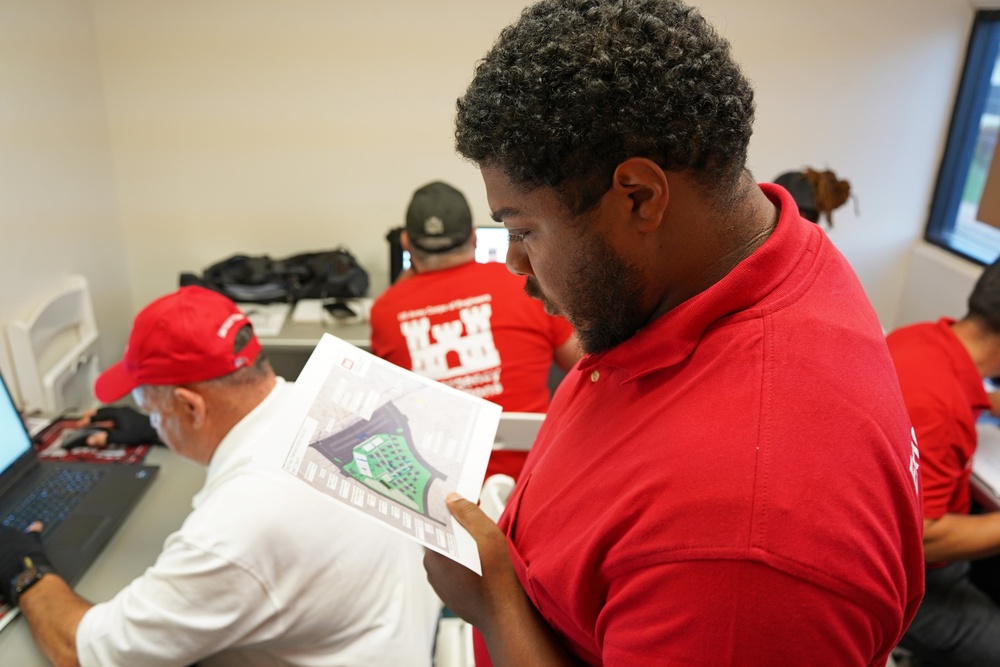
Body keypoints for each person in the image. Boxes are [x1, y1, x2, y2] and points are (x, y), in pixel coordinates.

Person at [421, 1, 925, 666]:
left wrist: (495, 602)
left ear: (638, 197)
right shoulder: (752, 258)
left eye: (521, 230)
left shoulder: (741, 549)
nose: (514, 262)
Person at [0, 286, 440, 667]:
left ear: (191, 408)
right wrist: (160, 431)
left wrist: (23, 568)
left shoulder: (235, 529)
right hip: (390, 639)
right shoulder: (333, 403)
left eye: (150, 408)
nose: (149, 419)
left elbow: (83, 652)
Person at [370, 180, 582, 480]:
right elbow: (584, 360)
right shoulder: (524, 283)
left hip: (443, 488)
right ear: (474, 238)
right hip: (535, 476)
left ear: (406, 243)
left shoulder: (385, 310)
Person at [888, 257, 1000, 666]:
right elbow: (925, 536)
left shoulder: (920, 339)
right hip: (907, 584)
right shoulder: (941, 409)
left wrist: (987, 402)